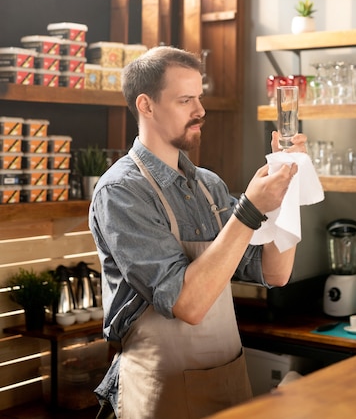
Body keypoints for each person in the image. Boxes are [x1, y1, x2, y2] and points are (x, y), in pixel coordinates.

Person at [89, 45, 306, 419]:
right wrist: (250, 209)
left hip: (229, 381)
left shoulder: (210, 186)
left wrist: (290, 185)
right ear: (147, 105)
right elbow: (187, 304)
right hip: (162, 391)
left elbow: (275, 271)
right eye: (185, 100)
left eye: (199, 97)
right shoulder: (122, 192)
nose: (200, 111)